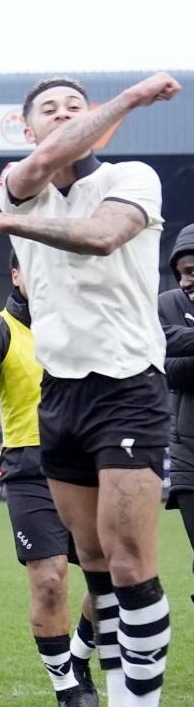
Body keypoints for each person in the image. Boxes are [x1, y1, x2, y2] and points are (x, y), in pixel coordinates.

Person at [0, 72, 180, 707]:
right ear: (26, 130)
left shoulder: (131, 177)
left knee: (133, 562)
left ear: (100, 123)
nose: (65, 116)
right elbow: (40, 166)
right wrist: (9, 210)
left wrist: (127, 102)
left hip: (128, 386)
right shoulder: (18, 185)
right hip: (62, 393)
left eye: (77, 107)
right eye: (48, 109)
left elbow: (103, 238)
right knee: (96, 565)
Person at [0, 257, 101, 707]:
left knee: (112, 580)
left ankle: (80, 654)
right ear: (16, 275)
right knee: (50, 579)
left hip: (89, 464)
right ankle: (67, 690)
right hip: (29, 467)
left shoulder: (83, 323)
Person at [162, 225, 194, 580]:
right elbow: (164, 365)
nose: (185, 282)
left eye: (193, 272)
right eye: (181, 273)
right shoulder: (167, 305)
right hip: (189, 454)